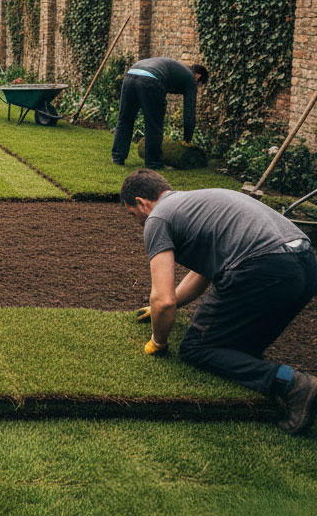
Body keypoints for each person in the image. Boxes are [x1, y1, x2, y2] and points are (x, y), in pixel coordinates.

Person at [122, 168, 317, 434]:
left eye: (134, 215)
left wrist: (159, 341)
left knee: (196, 349)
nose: (138, 222)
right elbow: (202, 274)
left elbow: (162, 299)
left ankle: (294, 384)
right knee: (233, 349)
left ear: (142, 203)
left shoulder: (158, 218)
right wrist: (176, 302)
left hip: (265, 269)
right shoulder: (200, 201)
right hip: (304, 266)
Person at [112, 57, 208, 169]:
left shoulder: (179, 71)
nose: (197, 87)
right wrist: (187, 139)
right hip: (150, 78)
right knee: (154, 124)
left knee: (125, 119)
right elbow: (189, 112)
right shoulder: (191, 79)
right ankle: (153, 162)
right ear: (198, 76)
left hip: (131, 74)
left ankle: (118, 157)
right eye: (199, 85)